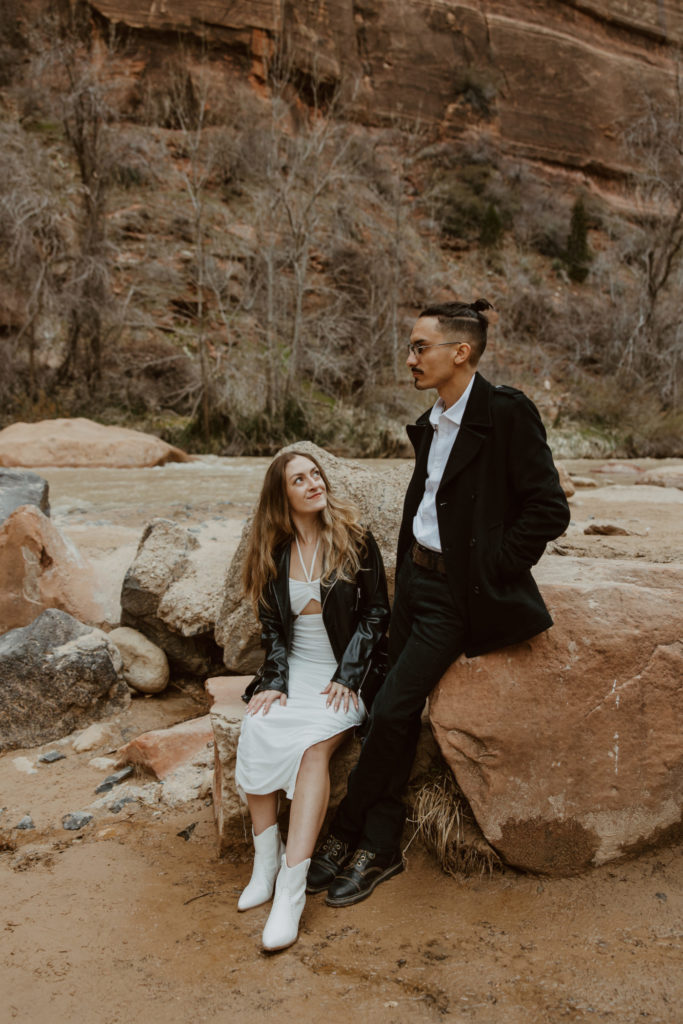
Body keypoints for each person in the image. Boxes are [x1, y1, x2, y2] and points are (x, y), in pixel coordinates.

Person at [308, 298, 571, 907]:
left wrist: (488, 569)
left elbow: (548, 509)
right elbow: (427, 507)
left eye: (419, 347)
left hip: (457, 594)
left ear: (462, 352)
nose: (409, 359)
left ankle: (348, 828)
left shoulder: (505, 412)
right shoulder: (434, 419)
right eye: (410, 347)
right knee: (385, 709)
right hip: (416, 585)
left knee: (396, 709)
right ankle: (380, 843)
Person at [235, 449, 390, 950]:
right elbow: (272, 629)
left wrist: (350, 674)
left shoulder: (354, 539)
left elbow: (376, 614)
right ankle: (264, 865)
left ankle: (291, 891)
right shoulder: (273, 551)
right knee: (257, 727)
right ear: (282, 496)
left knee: (311, 750)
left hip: (342, 673)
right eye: (298, 480)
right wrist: (275, 680)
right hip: (295, 671)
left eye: (315, 474)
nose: (312, 484)